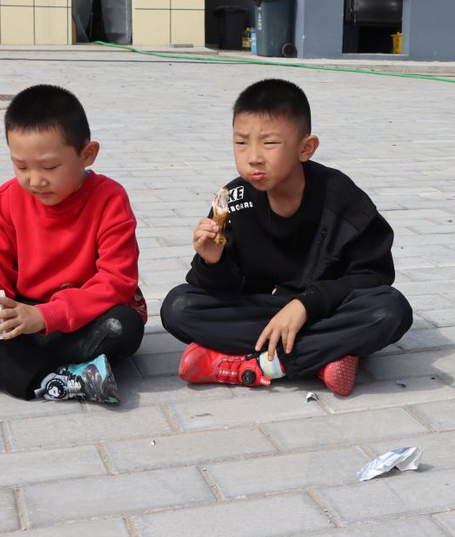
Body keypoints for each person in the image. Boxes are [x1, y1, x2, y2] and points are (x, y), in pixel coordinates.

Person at [161, 78, 412, 396]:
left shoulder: (341, 199)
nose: (253, 156)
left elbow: (375, 276)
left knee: (390, 310)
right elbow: (219, 290)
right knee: (178, 306)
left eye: (269, 143)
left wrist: (307, 304)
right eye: (241, 143)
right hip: (265, 310)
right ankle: (324, 356)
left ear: (305, 148)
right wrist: (212, 261)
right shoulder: (234, 199)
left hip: (326, 309)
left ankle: (258, 364)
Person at [0, 85, 146, 403]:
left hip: (75, 317)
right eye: (21, 166)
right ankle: (56, 380)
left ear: (87, 153)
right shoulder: (8, 198)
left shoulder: (109, 199)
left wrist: (45, 317)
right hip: (18, 312)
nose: (34, 180)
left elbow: (116, 281)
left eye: (49, 167)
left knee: (122, 326)